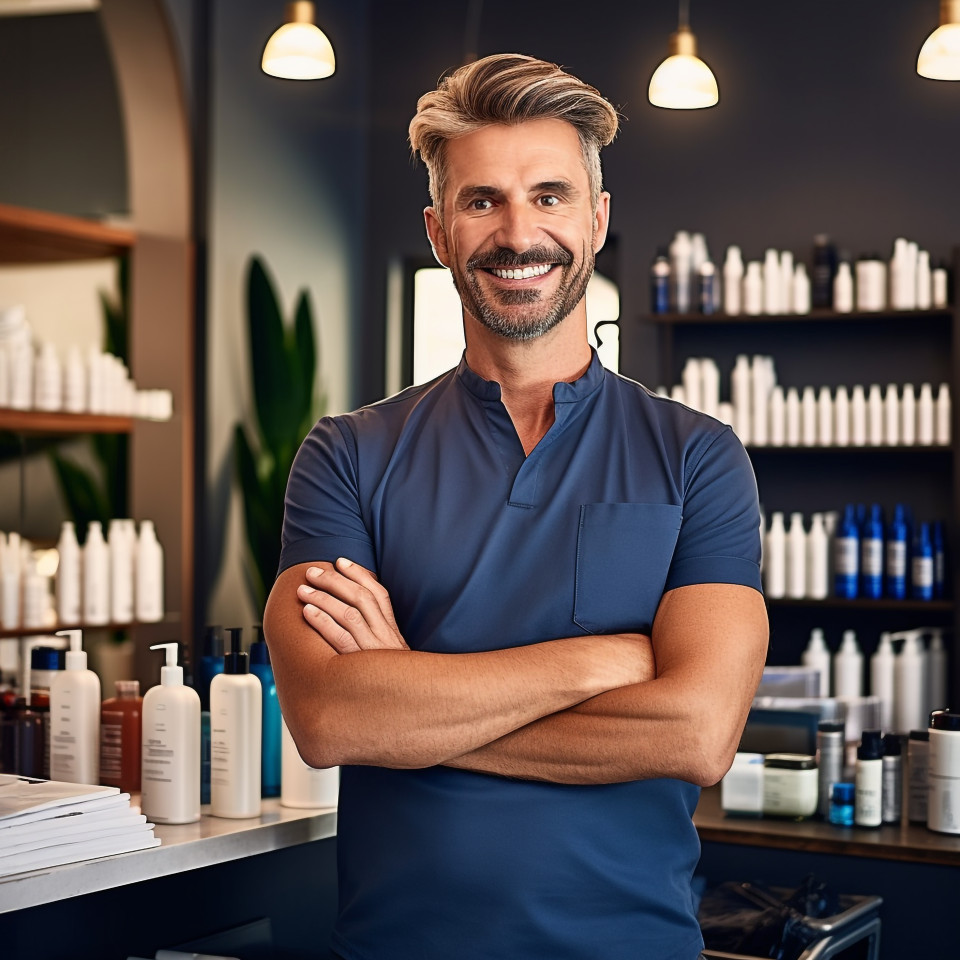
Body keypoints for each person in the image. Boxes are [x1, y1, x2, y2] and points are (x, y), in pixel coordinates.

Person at [264, 52, 768, 960]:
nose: (518, 232)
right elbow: (332, 720)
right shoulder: (348, 456)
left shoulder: (698, 458)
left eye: (549, 195)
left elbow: (696, 733)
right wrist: (600, 663)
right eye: (481, 200)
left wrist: (414, 707)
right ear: (438, 230)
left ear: (597, 217)